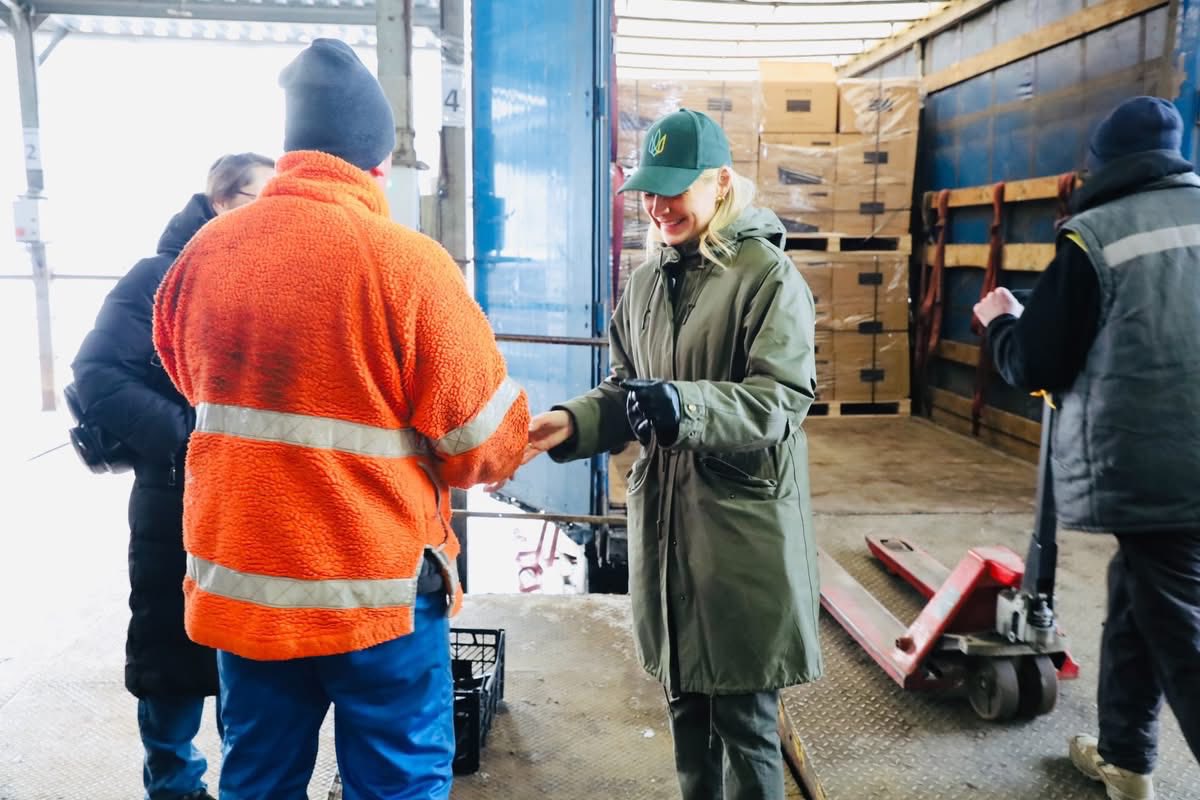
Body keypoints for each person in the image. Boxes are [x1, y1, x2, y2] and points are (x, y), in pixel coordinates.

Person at [152, 39, 529, 800]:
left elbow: (182, 375)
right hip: (375, 594)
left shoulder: (203, 254)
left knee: (258, 777)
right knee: (396, 778)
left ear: (292, 150)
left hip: (247, 591)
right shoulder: (406, 264)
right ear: (377, 163)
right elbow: (477, 445)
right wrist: (519, 432)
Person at [521, 108, 823, 800]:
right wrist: (573, 422)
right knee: (685, 702)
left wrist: (683, 407)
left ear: (720, 183)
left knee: (745, 720)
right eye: (650, 191)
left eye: (675, 189)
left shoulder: (767, 278)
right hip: (665, 525)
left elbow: (781, 400)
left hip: (740, 533)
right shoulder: (647, 283)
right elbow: (627, 389)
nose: (659, 207)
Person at [974, 96, 1200, 800]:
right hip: (1178, 481)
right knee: (1137, 601)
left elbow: (1037, 364)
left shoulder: (1094, 236)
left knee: (1183, 637)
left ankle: (1129, 757)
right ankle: (1126, 761)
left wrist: (1001, 324)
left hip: (1162, 474)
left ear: (1101, 166)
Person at [70, 151, 275, 800]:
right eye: (258, 200)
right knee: (170, 650)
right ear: (221, 201)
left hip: (253, 500)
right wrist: (193, 440)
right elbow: (97, 374)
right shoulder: (159, 277)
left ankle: (244, 781)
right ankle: (175, 786)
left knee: (248, 654)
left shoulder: (269, 280)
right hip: (174, 499)